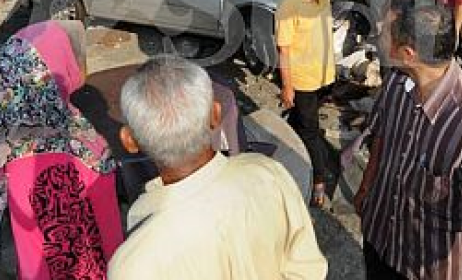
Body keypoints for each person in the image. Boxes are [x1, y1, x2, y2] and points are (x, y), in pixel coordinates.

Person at [108, 55, 327, 280]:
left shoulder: (131, 266)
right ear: (215, 114)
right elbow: (307, 268)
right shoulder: (269, 173)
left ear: (129, 141)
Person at [355, 2, 462, 280]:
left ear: (408, 54)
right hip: (379, 237)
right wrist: (366, 187)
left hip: (424, 267)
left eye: (385, 33)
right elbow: (382, 134)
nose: (378, 34)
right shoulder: (396, 81)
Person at [0, 20, 123, 279]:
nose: (76, 63)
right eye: (67, 57)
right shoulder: (70, 155)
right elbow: (79, 255)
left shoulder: (9, 150)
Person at [276, 0, 336, 207]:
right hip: (302, 80)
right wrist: (288, 87)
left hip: (324, 75)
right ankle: (318, 182)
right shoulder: (289, 6)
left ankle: (285, 148)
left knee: (301, 122)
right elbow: (284, 50)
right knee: (311, 131)